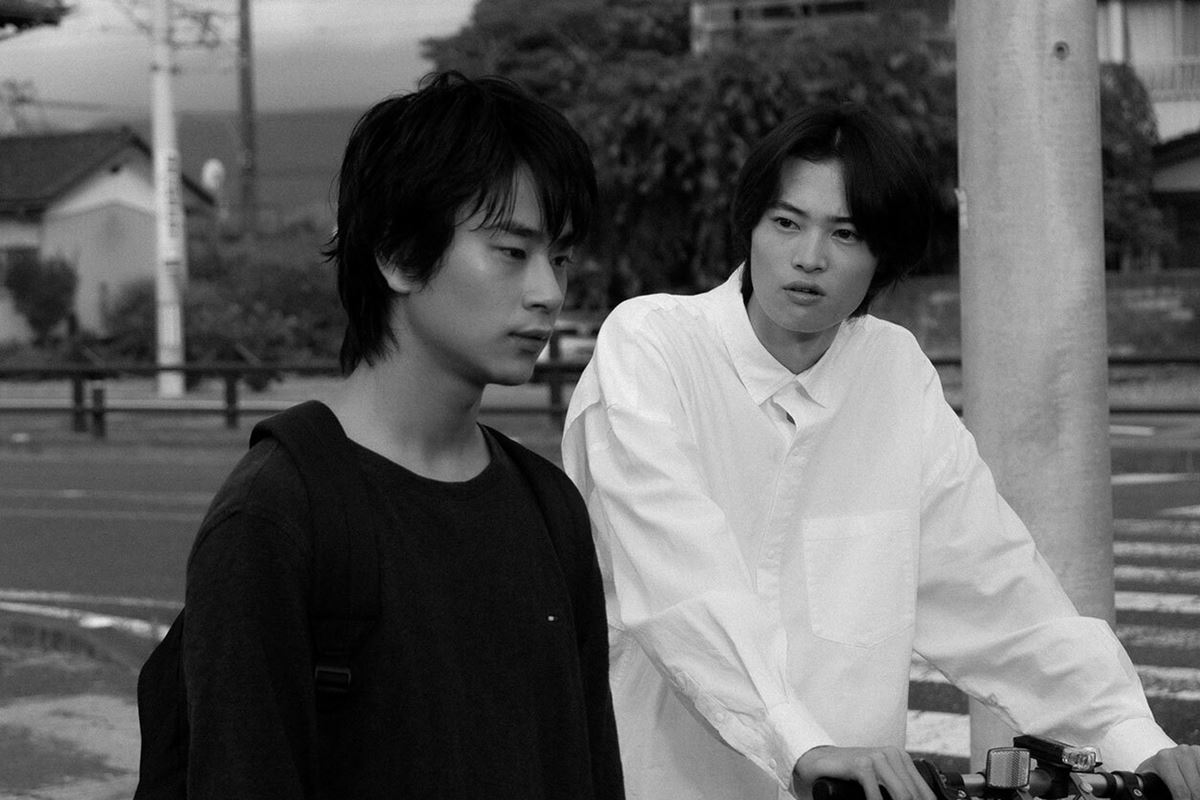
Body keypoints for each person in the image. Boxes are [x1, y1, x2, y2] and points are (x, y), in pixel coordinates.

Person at [561, 101, 1200, 800]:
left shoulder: (894, 373)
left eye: (846, 233)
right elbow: (681, 582)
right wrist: (799, 742)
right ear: (749, 226)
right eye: (786, 222)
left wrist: (1131, 737)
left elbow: (996, 588)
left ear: (884, 258)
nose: (809, 257)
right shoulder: (651, 347)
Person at [171, 72, 623, 798]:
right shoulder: (275, 517)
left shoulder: (550, 509)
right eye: (512, 251)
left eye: (561, 258)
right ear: (399, 254)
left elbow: (590, 769)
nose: (548, 291)